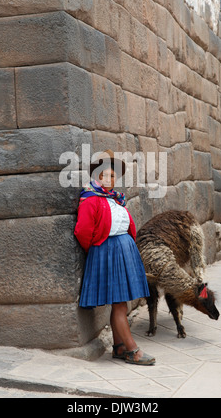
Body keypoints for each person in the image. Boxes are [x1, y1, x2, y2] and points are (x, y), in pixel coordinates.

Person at [74, 150, 155, 366]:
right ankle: (133, 350)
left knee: (122, 304)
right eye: (105, 175)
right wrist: (98, 251)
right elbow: (83, 231)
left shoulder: (115, 199)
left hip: (123, 251)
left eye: (112, 176)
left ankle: (119, 347)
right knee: (120, 305)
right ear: (96, 176)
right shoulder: (91, 199)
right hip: (107, 252)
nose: (109, 179)